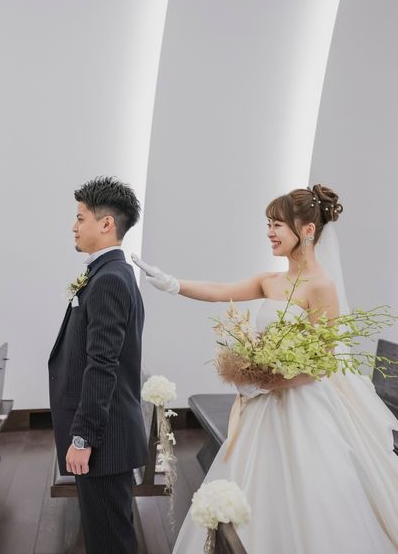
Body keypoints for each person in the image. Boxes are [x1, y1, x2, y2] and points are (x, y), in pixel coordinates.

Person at [133, 184, 398, 553]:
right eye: (268, 224)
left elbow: (323, 363)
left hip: (302, 406)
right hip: (261, 405)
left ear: (307, 230)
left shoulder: (321, 287)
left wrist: (266, 384)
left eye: (277, 225)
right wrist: (172, 283)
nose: (269, 232)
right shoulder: (271, 280)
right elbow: (219, 290)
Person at [48, 176, 146, 554]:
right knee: (107, 534)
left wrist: (82, 439)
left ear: (106, 224)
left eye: (80, 217)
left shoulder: (109, 280)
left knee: (109, 541)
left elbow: (102, 364)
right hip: (108, 435)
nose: (73, 226)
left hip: (103, 441)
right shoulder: (110, 272)